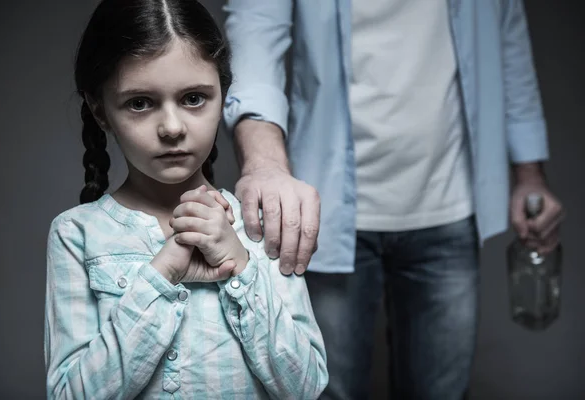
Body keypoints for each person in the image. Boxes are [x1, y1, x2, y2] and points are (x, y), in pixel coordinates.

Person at [222, 0, 564, 399]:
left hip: (449, 204)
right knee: (323, 392)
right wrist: (265, 164)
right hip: (325, 213)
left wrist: (529, 174)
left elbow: (509, 37)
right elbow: (255, 31)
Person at [43, 1, 328, 398]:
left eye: (194, 98)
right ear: (100, 110)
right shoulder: (76, 234)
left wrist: (241, 269)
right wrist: (161, 275)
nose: (172, 128)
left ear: (223, 96)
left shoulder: (259, 222)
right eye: (140, 103)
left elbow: (306, 387)